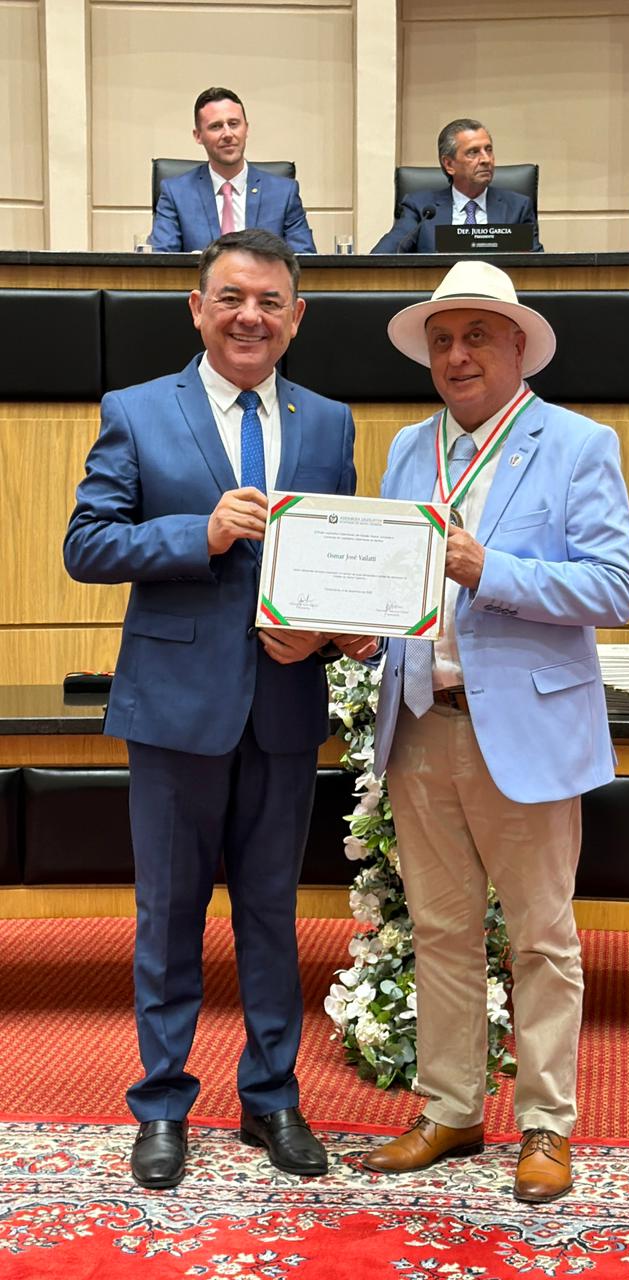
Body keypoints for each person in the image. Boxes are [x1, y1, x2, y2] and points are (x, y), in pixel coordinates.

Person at [64, 229, 372, 1189]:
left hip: (283, 707)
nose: (251, 316)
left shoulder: (328, 423)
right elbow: (88, 543)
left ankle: (271, 1096)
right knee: (169, 916)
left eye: (270, 302)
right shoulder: (137, 411)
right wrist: (192, 533)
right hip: (171, 709)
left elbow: (346, 565)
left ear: (296, 318)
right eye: (232, 298)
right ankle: (161, 1104)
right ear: (198, 307)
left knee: (274, 915)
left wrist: (329, 634)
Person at [363, 260, 629, 1202]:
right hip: (420, 723)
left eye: (477, 334)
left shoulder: (577, 443)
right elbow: (398, 583)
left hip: (522, 729)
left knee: (542, 939)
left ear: (519, 345)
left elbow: (615, 587)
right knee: (438, 931)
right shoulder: (406, 447)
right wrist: (366, 625)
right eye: (441, 339)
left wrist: (495, 568)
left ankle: (546, 1124)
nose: (456, 353)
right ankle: (448, 1110)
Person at [150, 87, 316, 254]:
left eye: (234, 124)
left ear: (246, 128)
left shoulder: (283, 193)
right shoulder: (176, 194)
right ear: (198, 136)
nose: (228, 134)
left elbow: (305, 262)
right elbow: (160, 263)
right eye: (216, 126)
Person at [371, 118, 542, 253]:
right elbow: (383, 257)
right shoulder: (421, 209)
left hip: (495, 295)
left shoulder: (517, 208)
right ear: (449, 164)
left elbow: (539, 268)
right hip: (438, 294)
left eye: (488, 150)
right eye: (473, 152)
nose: (486, 159)